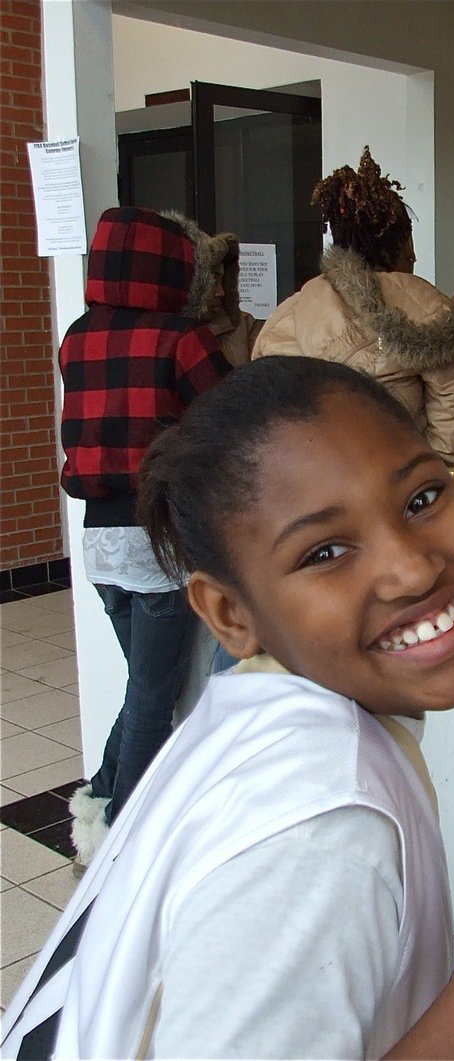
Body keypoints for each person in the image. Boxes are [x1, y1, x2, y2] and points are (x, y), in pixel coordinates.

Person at [1, 356, 454, 1060]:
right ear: (229, 612)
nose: (412, 565)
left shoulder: (258, 723)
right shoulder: (318, 819)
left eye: (422, 497)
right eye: (326, 550)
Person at [62, 207, 231, 868]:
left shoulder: (77, 336)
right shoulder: (182, 338)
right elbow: (227, 420)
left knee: (143, 680)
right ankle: (124, 841)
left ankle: (102, 793)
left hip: (100, 541)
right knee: (155, 691)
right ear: (179, 266)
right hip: (161, 537)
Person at [253, 146, 454, 466]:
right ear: (401, 242)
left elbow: (264, 414)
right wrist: (421, 484)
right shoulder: (427, 305)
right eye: (410, 240)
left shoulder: (288, 314)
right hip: (398, 485)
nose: (414, 256)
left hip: (313, 483)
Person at [166, 212, 264, 367]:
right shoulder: (158, 335)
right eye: (210, 281)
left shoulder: (245, 326)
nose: (221, 292)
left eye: (222, 280)